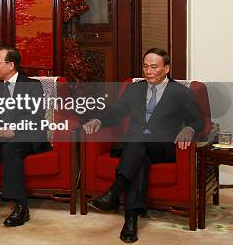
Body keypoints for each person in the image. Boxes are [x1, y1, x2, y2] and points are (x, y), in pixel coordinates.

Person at [82, 48, 203, 243]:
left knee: (138, 143)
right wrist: (99, 120)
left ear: (167, 68)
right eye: (145, 66)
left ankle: (115, 191)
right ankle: (130, 220)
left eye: (154, 67)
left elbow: (198, 120)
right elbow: (115, 112)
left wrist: (188, 129)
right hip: (135, 147)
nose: (148, 71)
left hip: (163, 147)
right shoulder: (134, 89)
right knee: (140, 157)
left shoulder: (180, 92)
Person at [0, 46, 51, 227]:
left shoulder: (32, 85)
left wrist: (14, 129)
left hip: (28, 133)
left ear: (11, 65)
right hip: (3, 135)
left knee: (11, 147)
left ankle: (21, 206)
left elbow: (36, 116)